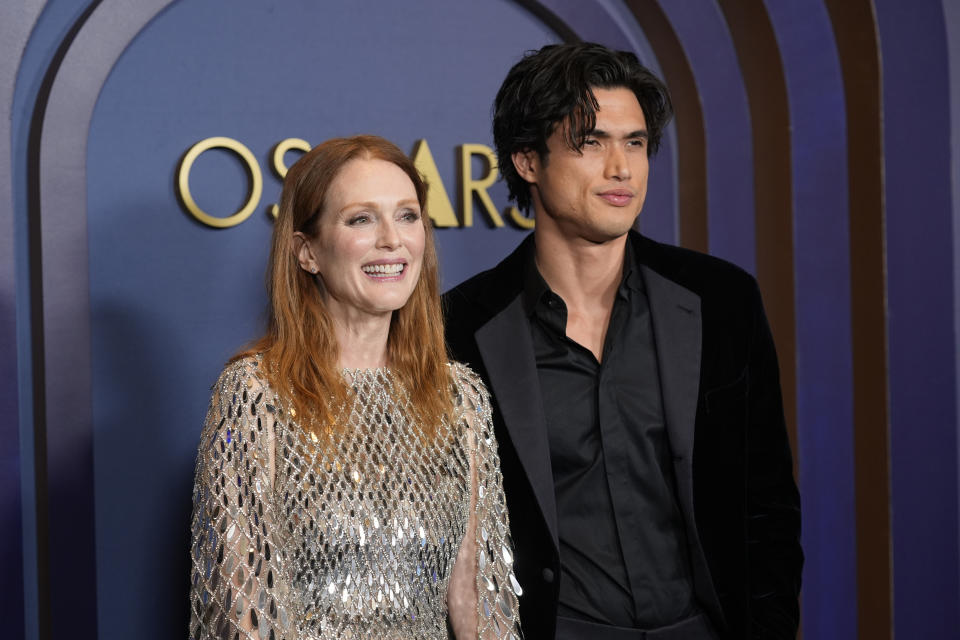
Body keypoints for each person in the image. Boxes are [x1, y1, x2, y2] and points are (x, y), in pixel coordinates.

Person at [443, 43, 802, 639]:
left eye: (635, 143)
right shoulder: (458, 329)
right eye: (591, 143)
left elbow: (766, 506)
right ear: (527, 161)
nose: (622, 169)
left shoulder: (722, 300)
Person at [188, 135, 521, 639]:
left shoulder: (461, 397)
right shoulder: (257, 394)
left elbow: (478, 599)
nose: (393, 239)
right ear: (307, 253)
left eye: (408, 216)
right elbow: (244, 614)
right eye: (361, 219)